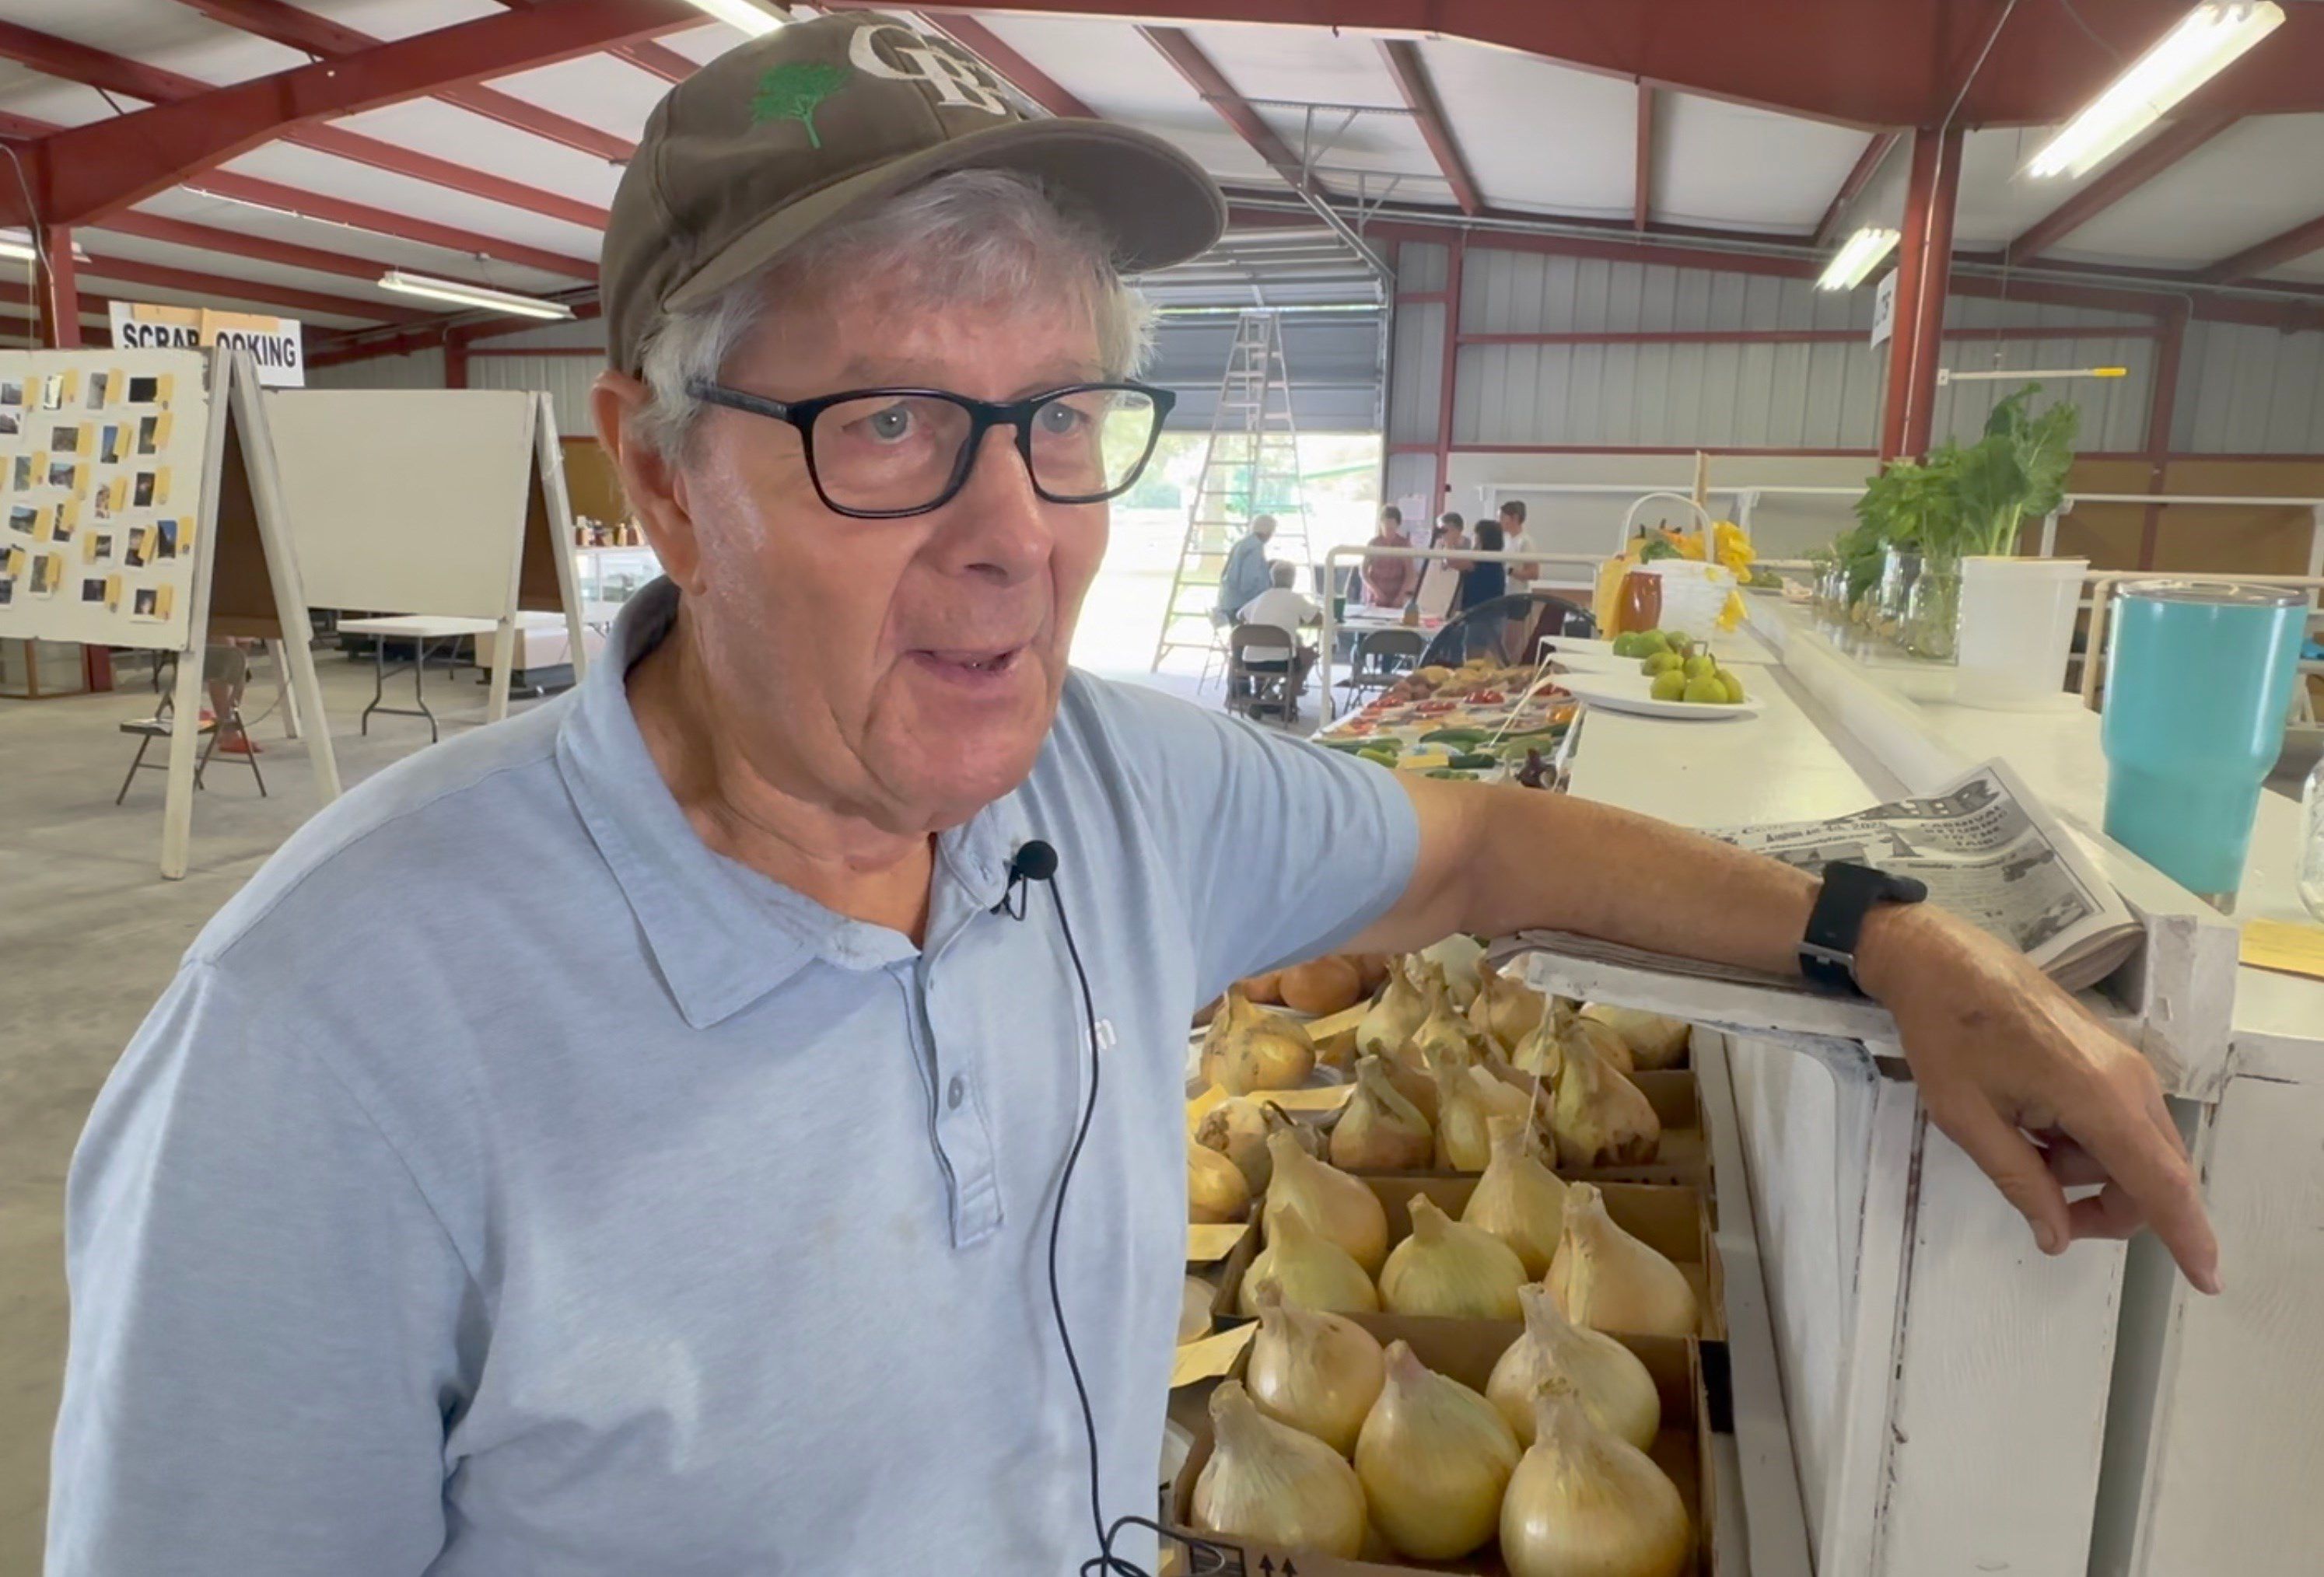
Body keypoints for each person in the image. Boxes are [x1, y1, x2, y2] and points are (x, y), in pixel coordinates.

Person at [46, 15, 2215, 1577]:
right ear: (661, 477)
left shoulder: (1114, 786)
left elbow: (1485, 839)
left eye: (1060, 417)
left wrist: (1890, 939)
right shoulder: (332, 1040)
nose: (1016, 535)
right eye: (889, 424)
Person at [1234, 560, 1321, 703]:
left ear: (1272, 579)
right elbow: (1318, 619)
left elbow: (1240, 615)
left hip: (1251, 662)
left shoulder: (1262, 597)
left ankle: (1259, 695)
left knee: (1272, 651)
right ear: (1293, 579)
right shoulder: (1296, 599)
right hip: (1283, 664)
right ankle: (1290, 694)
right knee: (1309, 655)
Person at [1461, 519, 1510, 663]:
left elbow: (1453, 562)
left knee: (1474, 659)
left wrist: (1448, 543)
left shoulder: (1482, 561)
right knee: (1492, 655)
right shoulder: (1496, 561)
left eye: (1476, 535)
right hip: (1492, 614)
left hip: (1482, 615)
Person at [1215, 511, 1276, 627]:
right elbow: (1248, 582)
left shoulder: (1242, 544)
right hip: (1242, 605)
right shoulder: (1254, 549)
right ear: (1268, 532)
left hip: (1230, 602)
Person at [1360, 503, 1416, 607]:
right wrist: (1376, 592)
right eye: (1385, 526)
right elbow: (1364, 572)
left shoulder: (1404, 545)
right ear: (1381, 524)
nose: (1388, 530)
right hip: (1375, 598)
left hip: (1397, 598)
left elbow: (1410, 574)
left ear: (1397, 525)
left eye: (1391, 527)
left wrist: (1400, 596)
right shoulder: (1373, 544)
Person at [1499, 498, 1538, 586]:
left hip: (1519, 592)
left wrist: (1509, 570)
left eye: (1503, 517)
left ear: (1515, 518)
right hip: (1505, 590)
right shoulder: (1505, 539)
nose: (1500, 521)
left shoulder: (1526, 541)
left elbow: (1534, 574)